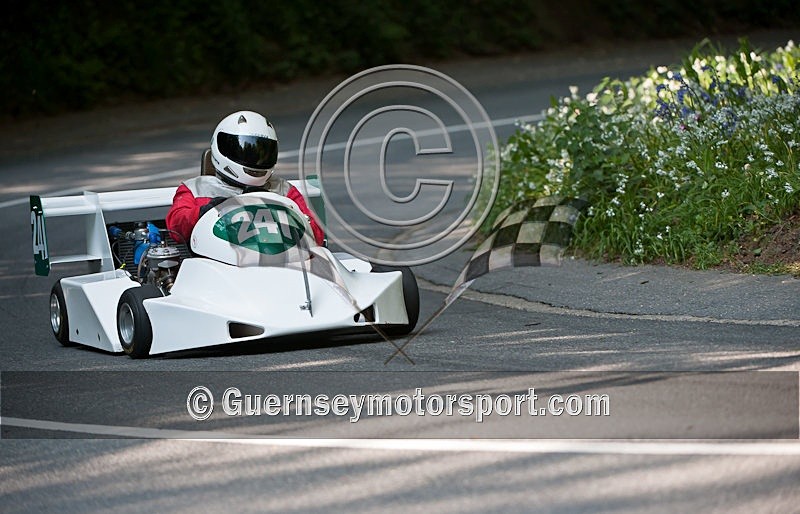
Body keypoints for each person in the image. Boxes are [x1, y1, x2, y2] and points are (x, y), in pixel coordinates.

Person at [166, 111, 324, 245]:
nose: (254, 159)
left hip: (277, 266)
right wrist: (204, 212)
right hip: (218, 268)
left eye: (261, 153)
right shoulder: (196, 189)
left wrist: (288, 216)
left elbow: (315, 236)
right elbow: (175, 227)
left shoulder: (283, 190)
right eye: (246, 151)